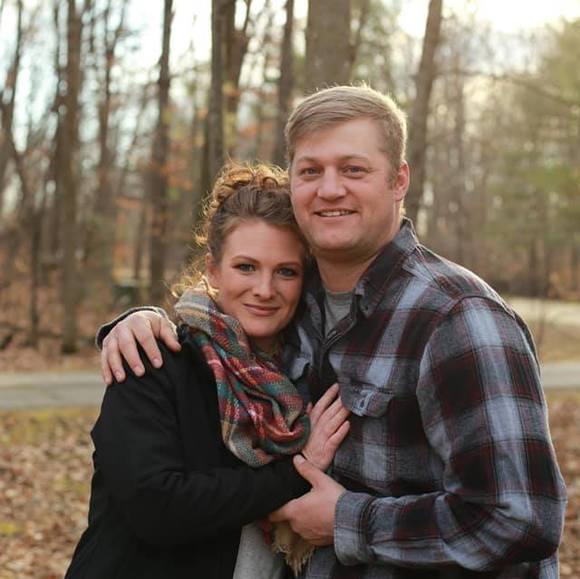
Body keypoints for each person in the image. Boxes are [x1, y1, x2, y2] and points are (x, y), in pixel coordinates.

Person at [98, 85, 567, 578]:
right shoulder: (295, 305)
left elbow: (520, 518)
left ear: (399, 180)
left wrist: (350, 522)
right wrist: (138, 320)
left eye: (353, 169)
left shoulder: (456, 317)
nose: (329, 189)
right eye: (310, 171)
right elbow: (217, 320)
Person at [66, 162, 351, 579]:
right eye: (246, 267)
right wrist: (296, 471)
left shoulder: (299, 380)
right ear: (213, 269)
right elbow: (157, 507)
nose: (264, 289)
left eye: (286, 271)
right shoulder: (154, 359)